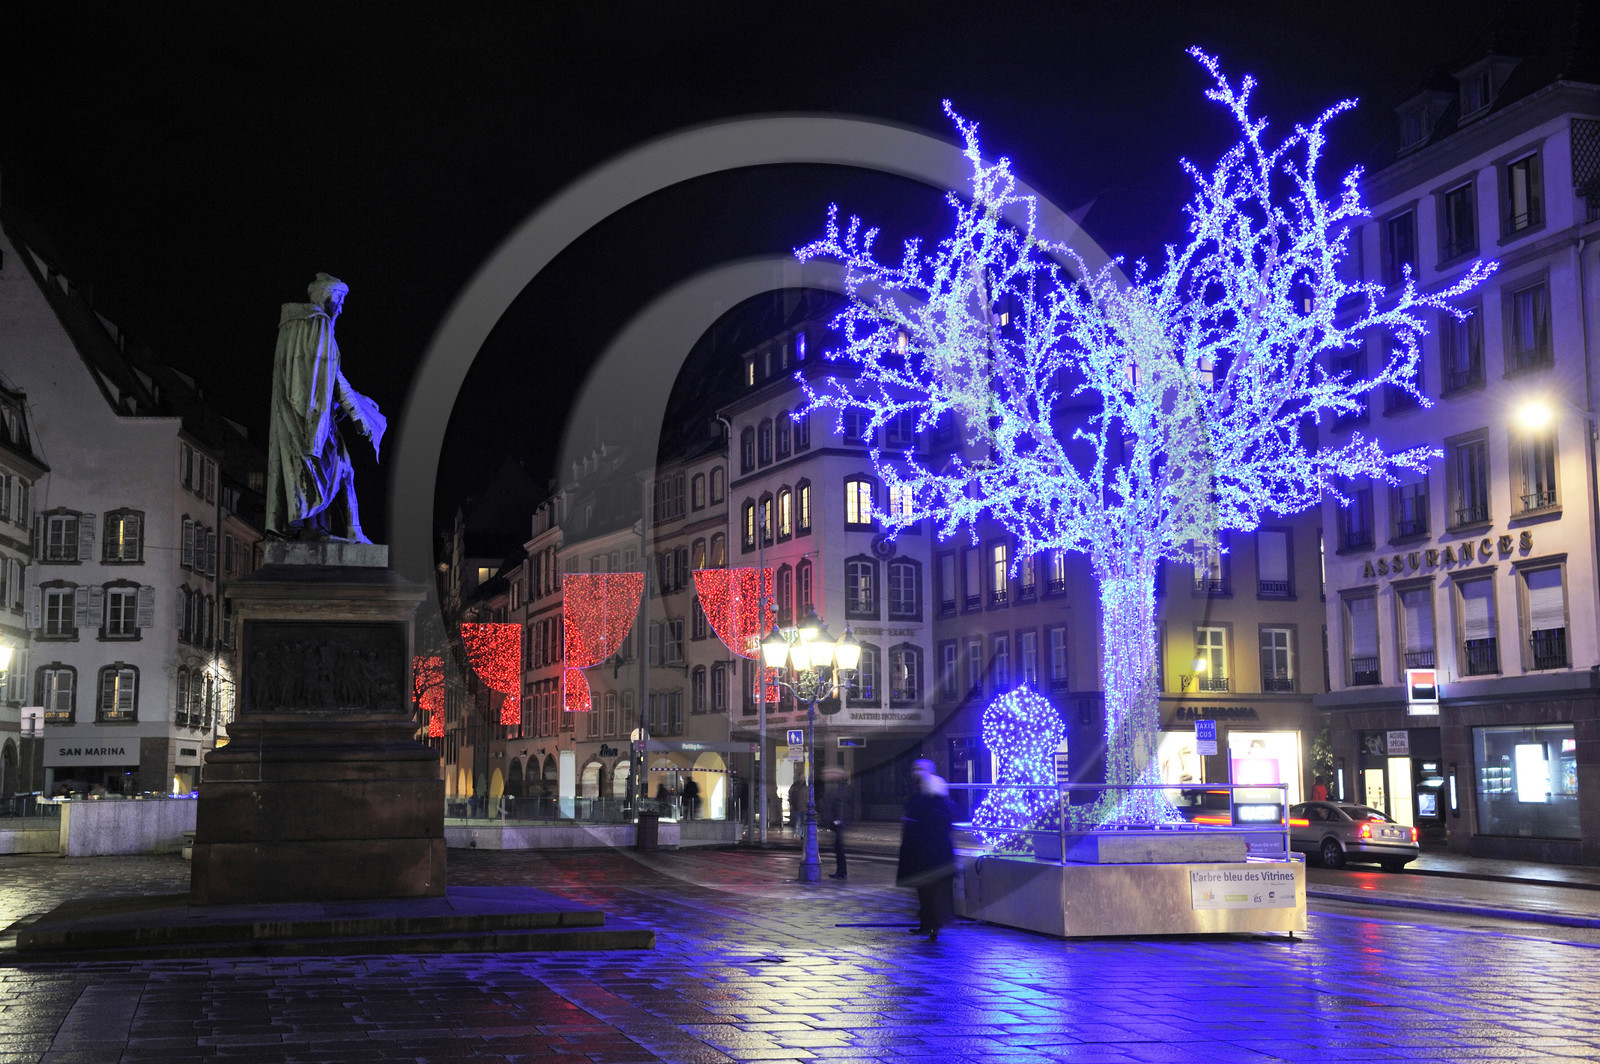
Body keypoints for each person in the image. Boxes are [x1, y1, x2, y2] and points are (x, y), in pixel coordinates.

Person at [267, 273, 387, 542]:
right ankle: (342, 531)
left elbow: (320, 374)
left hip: (294, 415)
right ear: (328, 297)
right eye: (340, 300)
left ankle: (327, 529)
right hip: (311, 419)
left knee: (336, 472)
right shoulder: (318, 325)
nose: (341, 308)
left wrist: (358, 400)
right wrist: (357, 410)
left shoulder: (291, 326)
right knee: (342, 470)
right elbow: (331, 375)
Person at [897, 758, 957, 941]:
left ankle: (931, 925)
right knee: (926, 891)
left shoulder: (929, 799)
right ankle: (928, 924)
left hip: (927, 855)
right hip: (928, 854)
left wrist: (910, 823)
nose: (916, 771)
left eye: (919, 769)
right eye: (915, 768)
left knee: (929, 891)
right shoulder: (923, 795)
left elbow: (927, 825)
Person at [824, 770, 856, 880]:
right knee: (838, 848)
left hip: (839, 823)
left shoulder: (841, 789)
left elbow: (841, 805)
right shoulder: (842, 788)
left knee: (839, 848)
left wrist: (838, 819)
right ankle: (841, 871)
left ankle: (841, 872)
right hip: (839, 822)